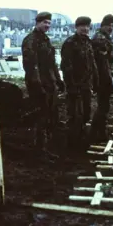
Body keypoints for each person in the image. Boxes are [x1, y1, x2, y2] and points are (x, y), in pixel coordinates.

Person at [21, 12, 65, 150]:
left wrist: (58, 80)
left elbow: (52, 63)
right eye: (45, 22)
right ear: (38, 22)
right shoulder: (30, 40)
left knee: (52, 113)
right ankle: (40, 147)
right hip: (38, 84)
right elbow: (31, 66)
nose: (47, 25)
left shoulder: (45, 40)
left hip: (49, 82)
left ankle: (50, 144)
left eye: (49, 23)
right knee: (41, 114)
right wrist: (38, 85)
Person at [60, 16, 98, 141]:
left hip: (87, 84)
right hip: (75, 85)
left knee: (86, 113)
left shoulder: (87, 42)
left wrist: (95, 81)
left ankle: (82, 138)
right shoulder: (70, 43)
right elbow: (66, 67)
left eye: (87, 26)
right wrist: (71, 86)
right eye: (82, 26)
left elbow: (92, 64)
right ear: (76, 27)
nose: (85, 29)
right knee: (75, 114)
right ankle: (72, 142)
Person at [90, 14, 113, 142]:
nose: (111, 28)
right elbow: (102, 63)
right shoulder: (100, 39)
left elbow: (109, 61)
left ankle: (99, 131)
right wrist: (107, 80)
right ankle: (96, 132)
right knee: (103, 105)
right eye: (109, 25)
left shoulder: (105, 38)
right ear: (103, 25)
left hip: (105, 75)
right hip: (101, 77)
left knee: (104, 105)